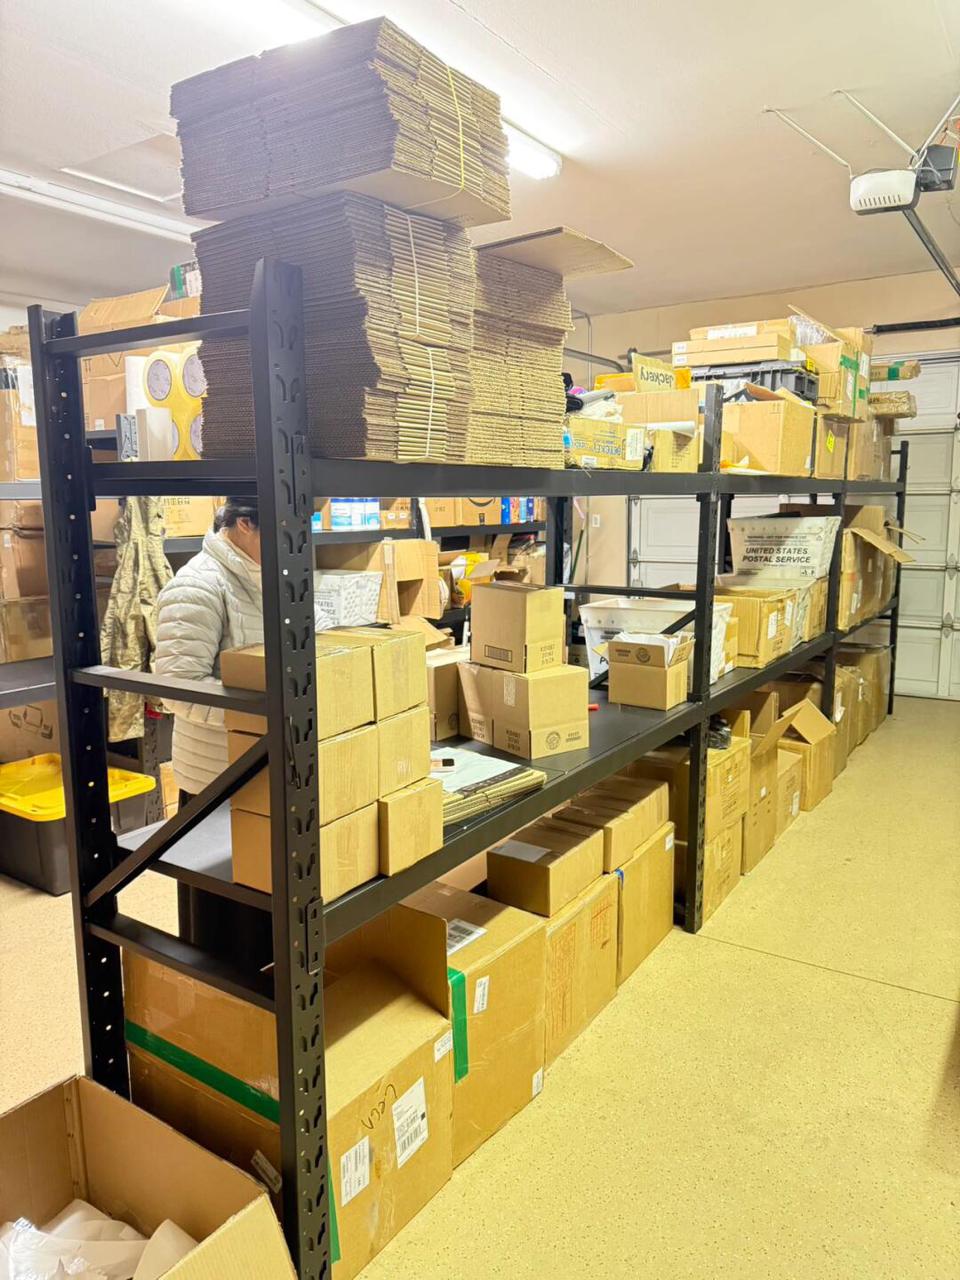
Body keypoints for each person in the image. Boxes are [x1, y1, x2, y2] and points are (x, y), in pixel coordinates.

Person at [155, 497, 262, 806]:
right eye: (284, 529)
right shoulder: (195, 586)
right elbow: (179, 687)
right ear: (245, 523)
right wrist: (263, 711)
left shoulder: (274, 574)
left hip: (262, 766)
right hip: (215, 778)